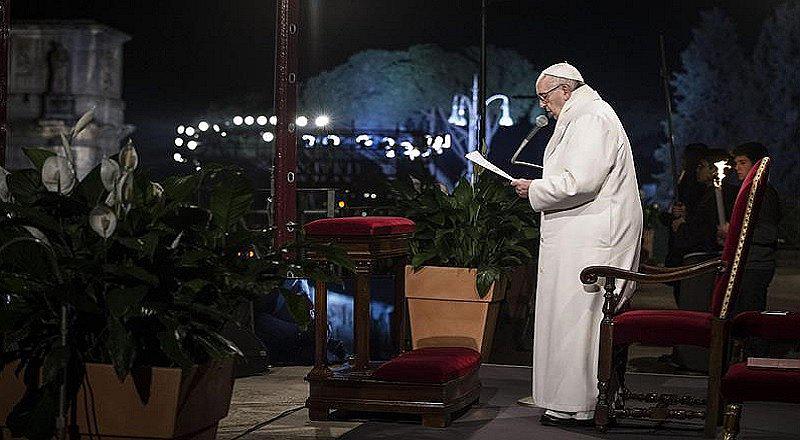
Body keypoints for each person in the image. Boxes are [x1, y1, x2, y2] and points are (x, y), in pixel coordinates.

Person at [510, 62, 642, 426]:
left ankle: (580, 405)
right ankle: (565, 400)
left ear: (566, 89)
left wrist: (532, 188)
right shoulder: (581, 114)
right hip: (583, 233)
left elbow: (580, 181)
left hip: (595, 239)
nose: (542, 105)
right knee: (569, 317)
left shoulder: (591, 117)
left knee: (579, 319)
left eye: (545, 96)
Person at [720, 142, 781, 316]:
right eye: (736, 163)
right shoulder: (748, 192)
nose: (737, 167)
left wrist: (735, 231)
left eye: (743, 162)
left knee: (749, 316)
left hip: (756, 265)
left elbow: (768, 233)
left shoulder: (765, 193)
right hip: (746, 263)